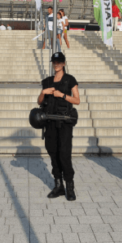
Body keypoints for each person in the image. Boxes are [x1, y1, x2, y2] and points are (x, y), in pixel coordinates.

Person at [37, 52, 80, 201]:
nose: (56, 64)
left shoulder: (70, 80)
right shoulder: (47, 81)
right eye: (54, 62)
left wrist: (62, 95)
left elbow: (77, 100)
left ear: (64, 63)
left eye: (59, 62)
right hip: (49, 123)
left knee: (64, 154)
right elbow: (39, 102)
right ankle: (58, 185)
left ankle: (70, 186)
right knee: (53, 153)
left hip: (64, 123)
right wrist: (44, 92)